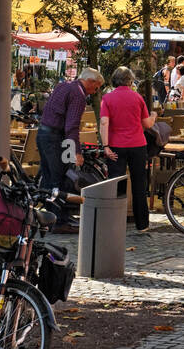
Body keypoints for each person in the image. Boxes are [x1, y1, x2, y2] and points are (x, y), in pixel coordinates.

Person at [37, 67, 104, 228]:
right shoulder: (79, 95)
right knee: (59, 178)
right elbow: (71, 127)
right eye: (96, 87)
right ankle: (60, 220)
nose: (96, 91)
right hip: (55, 138)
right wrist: (77, 152)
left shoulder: (63, 86)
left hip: (43, 134)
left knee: (48, 178)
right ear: (90, 81)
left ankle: (49, 217)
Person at [100, 67, 157, 232]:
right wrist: (153, 116)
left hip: (116, 146)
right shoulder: (138, 98)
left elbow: (104, 123)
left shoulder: (107, 98)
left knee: (116, 184)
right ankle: (142, 224)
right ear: (130, 81)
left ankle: (115, 224)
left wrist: (106, 146)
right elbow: (147, 125)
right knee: (140, 184)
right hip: (138, 145)